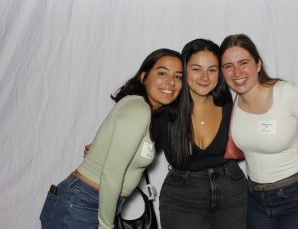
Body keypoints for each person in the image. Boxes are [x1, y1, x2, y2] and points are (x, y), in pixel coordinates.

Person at [39, 49, 183, 229]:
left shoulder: (147, 111)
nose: (171, 82)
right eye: (162, 73)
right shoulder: (139, 109)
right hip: (81, 204)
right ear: (143, 76)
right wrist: (106, 226)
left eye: (178, 77)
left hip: (90, 202)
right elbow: (111, 173)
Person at [219, 34, 298, 229]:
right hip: (256, 200)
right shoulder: (232, 98)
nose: (237, 72)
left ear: (258, 64)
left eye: (244, 62)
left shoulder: (286, 94)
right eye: (228, 66)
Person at [153, 39, 248, 229]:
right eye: (196, 69)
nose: (205, 77)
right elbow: (137, 145)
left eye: (212, 70)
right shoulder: (165, 109)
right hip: (181, 198)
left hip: (233, 193)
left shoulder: (231, 104)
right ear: (184, 70)